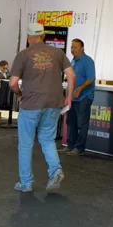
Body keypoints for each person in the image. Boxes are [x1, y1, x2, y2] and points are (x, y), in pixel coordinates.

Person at [9, 23, 74, 193]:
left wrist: (18, 94)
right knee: (47, 139)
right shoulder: (58, 53)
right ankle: (55, 170)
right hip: (53, 102)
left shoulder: (23, 55)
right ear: (43, 35)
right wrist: (69, 96)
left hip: (31, 103)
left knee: (25, 143)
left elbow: (13, 83)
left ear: (29, 37)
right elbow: (71, 74)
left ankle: (26, 183)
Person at [63, 39, 96, 156]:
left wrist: (80, 88)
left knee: (82, 123)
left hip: (84, 97)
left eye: (75, 47)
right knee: (71, 122)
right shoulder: (73, 61)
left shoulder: (87, 61)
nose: (73, 49)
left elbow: (91, 78)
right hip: (73, 98)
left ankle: (80, 148)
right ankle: (71, 145)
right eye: (72, 47)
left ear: (82, 48)